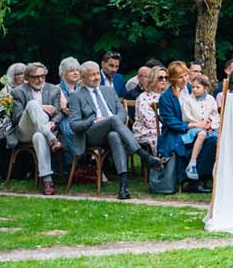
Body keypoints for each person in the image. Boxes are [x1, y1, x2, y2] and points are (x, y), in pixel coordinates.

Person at [69, 61, 168, 199]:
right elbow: (74, 125)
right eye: (92, 75)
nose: (97, 77)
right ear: (83, 78)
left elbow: (122, 113)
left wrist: (113, 120)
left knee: (115, 135)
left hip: (112, 130)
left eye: (97, 73)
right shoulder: (76, 95)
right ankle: (144, 156)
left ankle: (123, 187)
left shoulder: (108, 90)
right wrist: (92, 120)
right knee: (113, 119)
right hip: (91, 132)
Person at [157, 62, 215, 192]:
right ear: (172, 78)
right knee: (185, 143)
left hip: (199, 128)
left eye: (185, 75)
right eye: (180, 77)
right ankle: (192, 182)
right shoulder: (166, 97)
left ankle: (198, 177)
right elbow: (170, 121)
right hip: (175, 132)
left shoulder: (192, 88)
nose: (184, 79)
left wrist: (208, 122)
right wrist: (193, 125)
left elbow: (206, 106)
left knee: (212, 140)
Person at [11, 62, 65, 195]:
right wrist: (41, 107)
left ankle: (47, 181)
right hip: (25, 129)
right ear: (27, 78)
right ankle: (52, 139)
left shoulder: (53, 89)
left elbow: (58, 113)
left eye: (42, 76)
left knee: (39, 137)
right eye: (35, 77)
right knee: (33, 104)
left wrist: (53, 123)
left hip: (45, 129)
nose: (39, 80)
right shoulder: (18, 91)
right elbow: (17, 117)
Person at [179, 76, 220, 180]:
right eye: (193, 87)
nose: (194, 89)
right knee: (202, 134)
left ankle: (216, 169)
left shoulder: (211, 99)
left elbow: (215, 114)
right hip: (194, 128)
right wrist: (200, 124)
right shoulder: (188, 100)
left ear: (205, 88)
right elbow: (186, 116)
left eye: (198, 87)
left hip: (209, 128)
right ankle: (192, 163)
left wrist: (210, 124)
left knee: (217, 138)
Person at [0, 62, 26, 155]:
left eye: (24, 73)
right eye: (19, 74)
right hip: (9, 122)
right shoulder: (6, 91)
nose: (22, 76)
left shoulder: (29, 89)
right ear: (12, 76)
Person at [133, 66, 168, 152]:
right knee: (162, 139)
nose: (164, 80)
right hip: (147, 131)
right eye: (160, 78)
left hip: (164, 128)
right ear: (153, 79)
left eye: (166, 77)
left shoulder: (168, 96)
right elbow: (149, 122)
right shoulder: (143, 97)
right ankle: (160, 162)